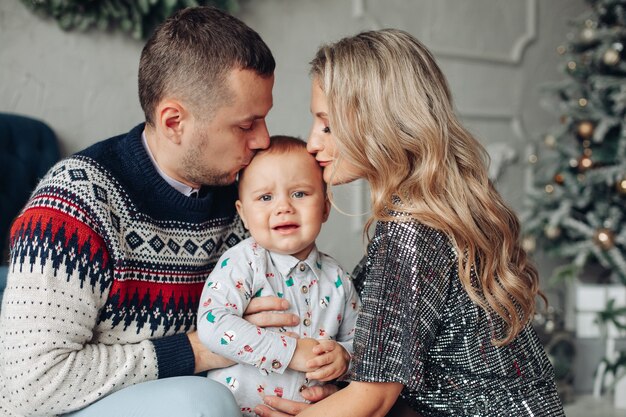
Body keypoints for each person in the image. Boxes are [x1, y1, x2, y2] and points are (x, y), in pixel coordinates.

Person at [0, 6, 303, 417]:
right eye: (246, 125)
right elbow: (24, 386)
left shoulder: (245, 194)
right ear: (174, 121)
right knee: (203, 404)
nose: (264, 140)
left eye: (264, 120)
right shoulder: (73, 204)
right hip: (78, 406)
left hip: (212, 389)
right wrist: (196, 349)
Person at [254, 29, 565, 417]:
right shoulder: (435, 207)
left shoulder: (410, 226)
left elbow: (373, 399)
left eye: (328, 125)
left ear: (379, 122)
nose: (313, 143)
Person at [198, 135, 360, 416]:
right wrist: (291, 352)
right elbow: (214, 325)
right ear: (244, 213)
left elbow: (362, 344)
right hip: (238, 410)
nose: (283, 207)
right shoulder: (242, 263)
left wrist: (344, 357)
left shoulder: (338, 280)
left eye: (299, 193)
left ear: (325, 206)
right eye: (265, 197)